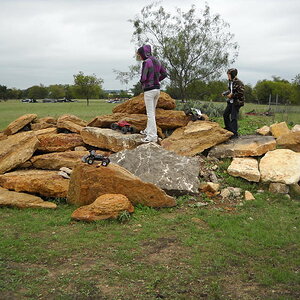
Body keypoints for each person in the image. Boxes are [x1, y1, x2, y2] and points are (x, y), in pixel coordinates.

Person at [137, 45, 167, 143]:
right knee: (152, 112)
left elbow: (143, 78)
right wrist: (157, 80)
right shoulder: (157, 61)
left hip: (149, 90)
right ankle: (148, 130)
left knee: (150, 114)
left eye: (140, 54)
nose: (140, 57)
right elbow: (165, 74)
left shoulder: (146, 62)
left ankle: (152, 136)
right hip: (157, 90)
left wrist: (142, 82)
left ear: (143, 53)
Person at [222, 68, 245, 138]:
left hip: (237, 102)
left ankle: (234, 133)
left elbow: (241, 93)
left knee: (233, 117)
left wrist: (232, 95)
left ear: (232, 74)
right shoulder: (230, 81)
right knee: (225, 114)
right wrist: (225, 93)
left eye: (229, 75)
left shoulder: (238, 82)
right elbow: (230, 90)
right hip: (231, 102)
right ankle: (228, 128)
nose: (228, 76)